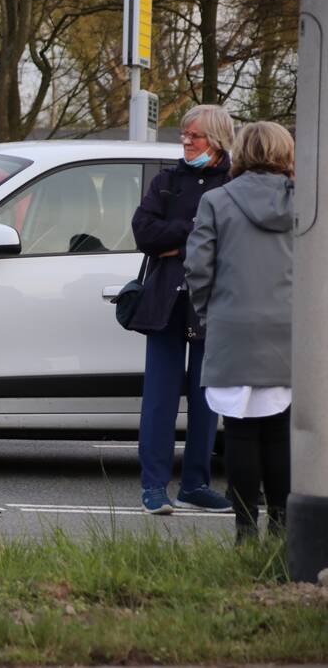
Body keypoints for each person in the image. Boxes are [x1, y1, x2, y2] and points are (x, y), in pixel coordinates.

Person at [185, 122, 294, 543]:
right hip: (289, 327)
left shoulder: (215, 200)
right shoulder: (306, 203)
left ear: (242, 152)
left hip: (232, 325)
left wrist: (208, 312)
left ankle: (245, 530)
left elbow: (198, 267)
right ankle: (284, 527)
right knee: (280, 430)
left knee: (241, 430)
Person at [130, 104, 236, 515]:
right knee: (159, 399)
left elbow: (232, 240)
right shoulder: (167, 180)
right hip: (166, 301)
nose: (187, 142)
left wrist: (178, 240)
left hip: (213, 302)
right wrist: (193, 233)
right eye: (185, 135)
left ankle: (195, 484)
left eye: (196, 136)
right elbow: (144, 232)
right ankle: (153, 487)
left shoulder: (232, 183)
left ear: (218, 139)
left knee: (205, 398)